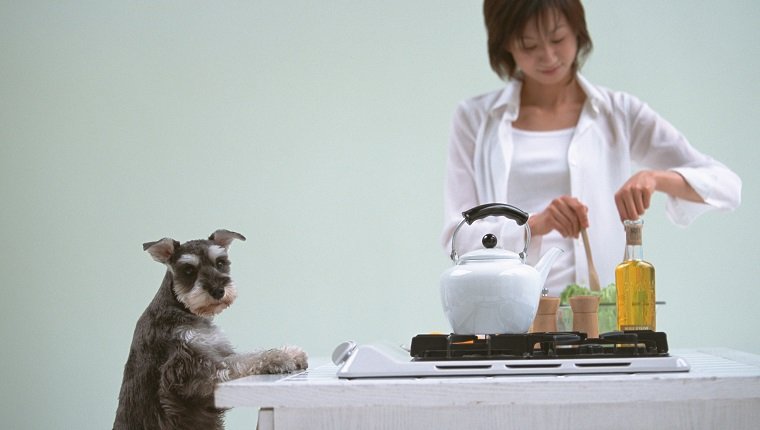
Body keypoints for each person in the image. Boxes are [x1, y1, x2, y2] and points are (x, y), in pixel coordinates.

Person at [442, 0, 742, 297]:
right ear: (506, 43)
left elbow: (727, 185)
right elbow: (456, 237)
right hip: (505, 315)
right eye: (529, 45)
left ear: (577, 30)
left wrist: (654, 178)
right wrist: (533, 225)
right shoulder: (476, 119)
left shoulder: (619, 113)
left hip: (603, 319)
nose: (548, 56)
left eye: (558, 38)